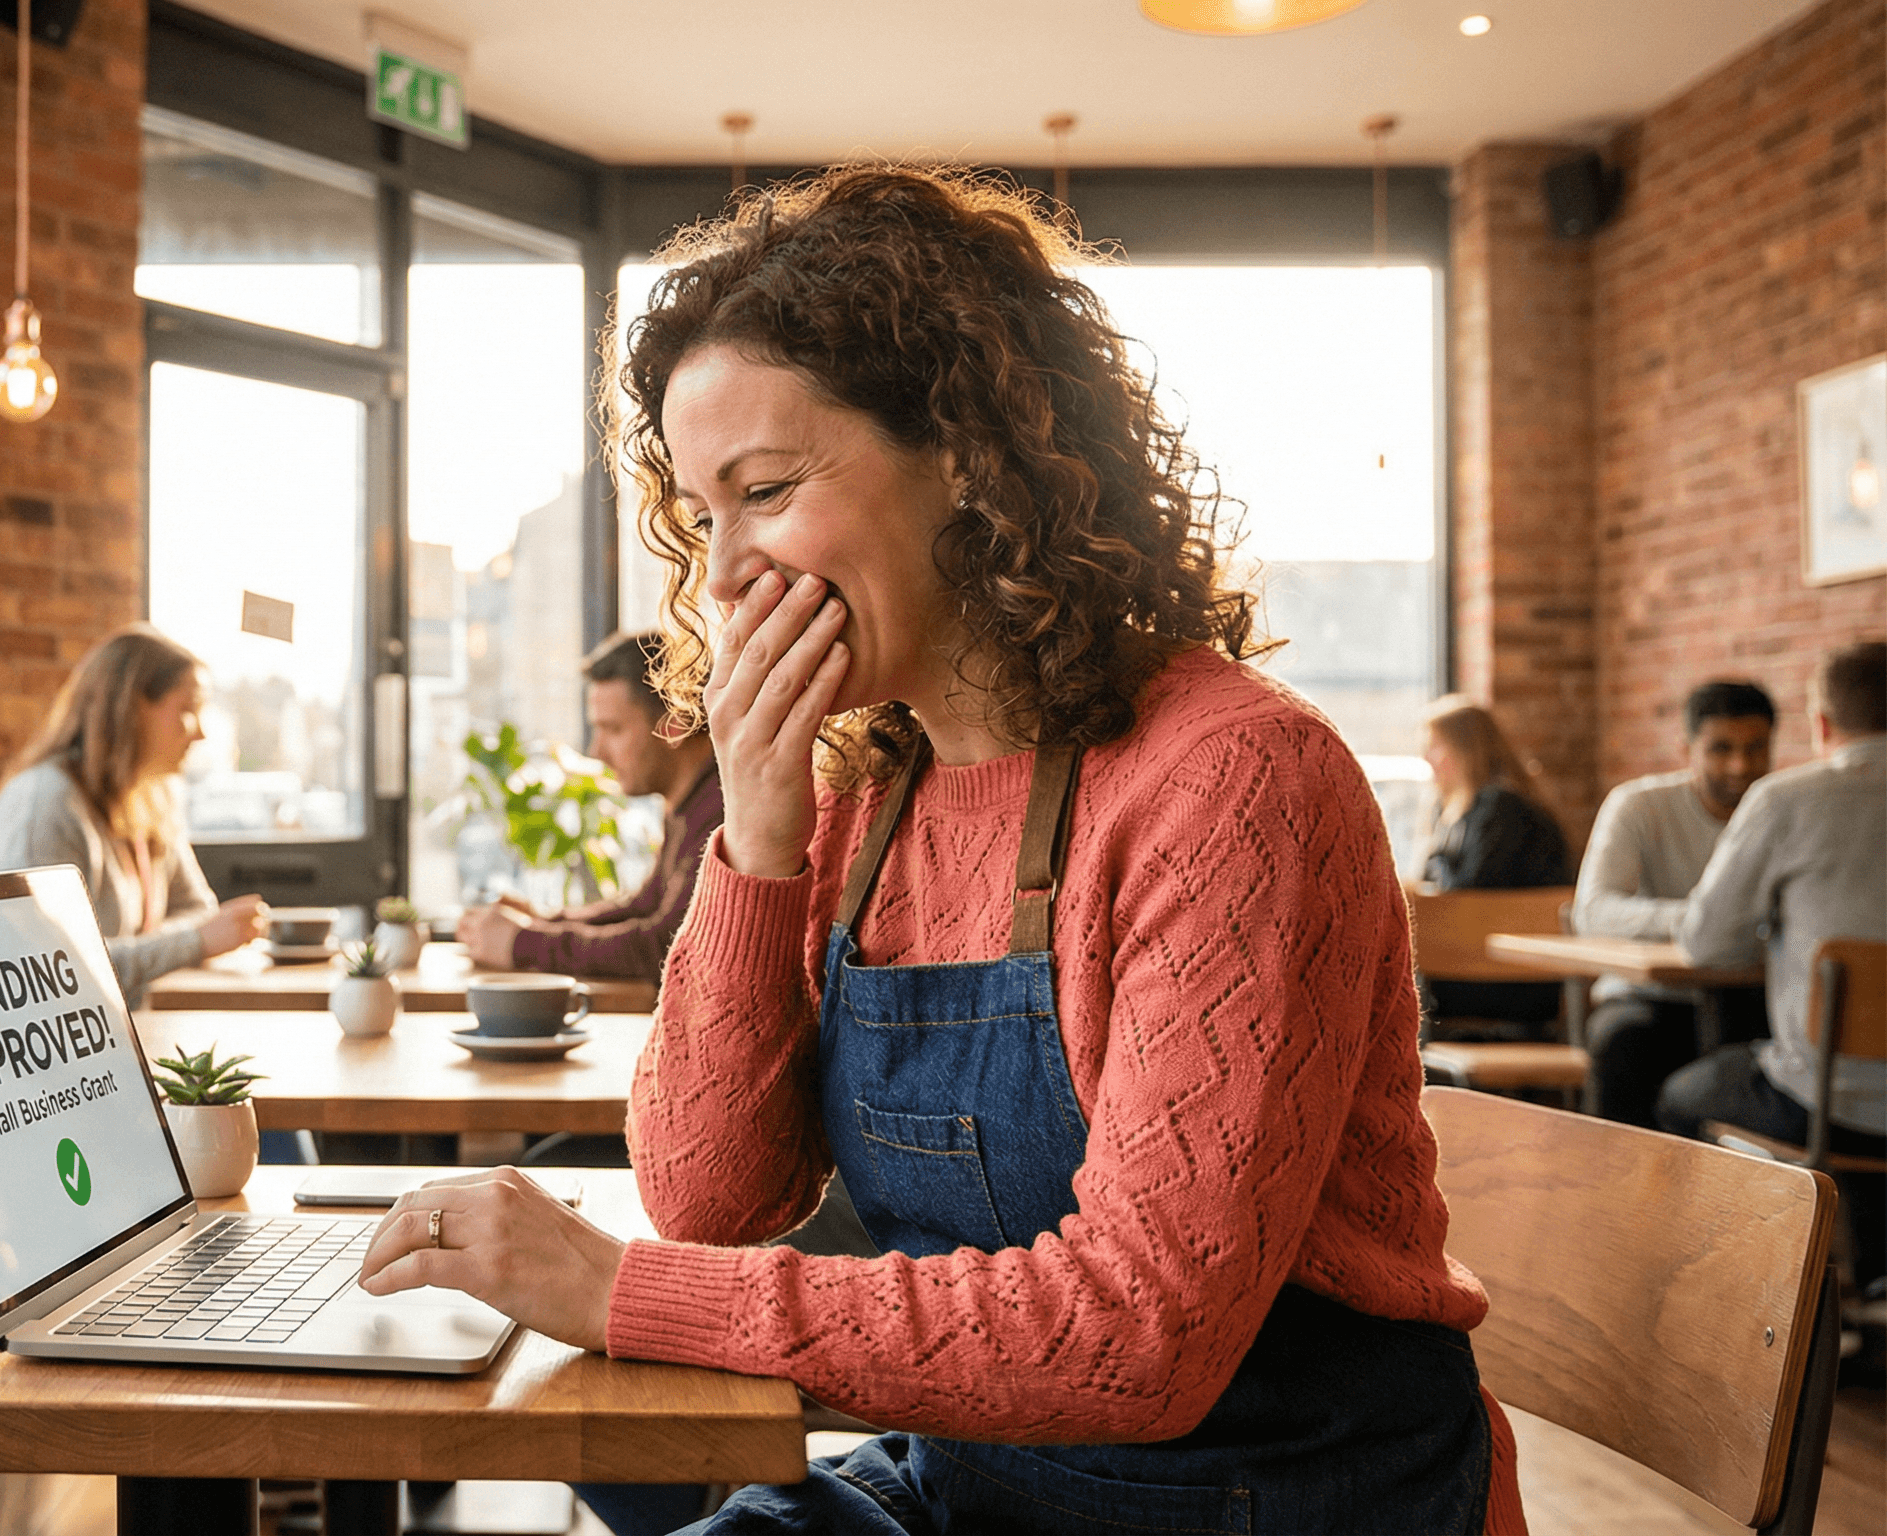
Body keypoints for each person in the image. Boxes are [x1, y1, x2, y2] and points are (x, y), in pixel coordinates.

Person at [350, 166, 1518, 1536]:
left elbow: (1140, 1334)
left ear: (965, 453)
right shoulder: (867, 788)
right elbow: (716, 1199)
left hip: (1280, 1505)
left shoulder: (1236, 778)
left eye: (767, 488)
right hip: (973, 1480)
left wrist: (616, 1290)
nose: (721, 575)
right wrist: (758, 839)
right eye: (701, 512)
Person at [1661, 640, 1886, 1283]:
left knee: (1680, 1094)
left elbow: (1705, 942)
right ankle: (1867, 1277)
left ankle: (1746, 1304)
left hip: (1825, 1100)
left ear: (1820, 723)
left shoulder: (1787, 799)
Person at [0, 625, 265, 1006]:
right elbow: (52, 976)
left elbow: (196, 909)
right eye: (188, 710)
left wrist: (161, 946)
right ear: (129, 709)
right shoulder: (45, 806)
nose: (201, 734)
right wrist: (193, 942)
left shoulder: (150, 797)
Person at [456, 632, 724, 980]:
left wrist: (524, 943)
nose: (597, 752)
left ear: (676, 723)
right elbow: (644, 908)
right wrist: (542, 921)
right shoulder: (688, 805)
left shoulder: (721, 810)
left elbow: (663, 946)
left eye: (612, 729)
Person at [1574, 681, 1777, 1125]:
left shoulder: (1783, 811)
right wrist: (1701, 920)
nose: (1740, 764)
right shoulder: (1639, 806)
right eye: (1721, 749)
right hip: (1649, 995)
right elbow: (1592, 911)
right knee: (1621, 1041)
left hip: (1752, 995)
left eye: (1756, 748)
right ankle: (1623, 1191)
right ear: (1688, 749)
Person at [1419, 696, 1576, 1035]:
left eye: (1435, 745)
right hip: (1495, 975)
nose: (1426, 757)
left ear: (1465, 749)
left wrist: (1434, 863)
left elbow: (1467, 900)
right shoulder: (1465, 811)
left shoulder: (1500, 808)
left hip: (1507, 979)